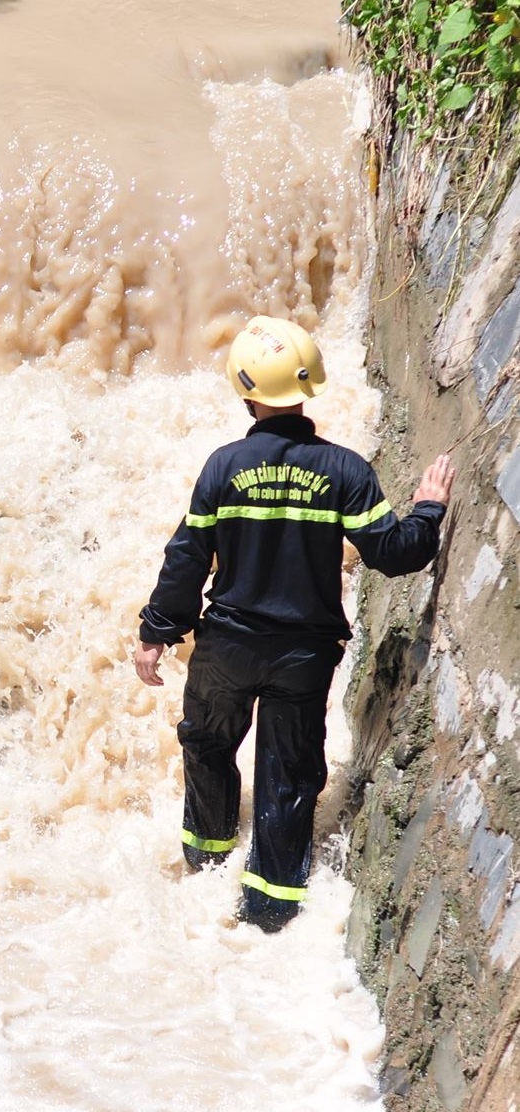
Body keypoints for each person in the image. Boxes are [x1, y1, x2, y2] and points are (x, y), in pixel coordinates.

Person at [134, 316, 455, 933]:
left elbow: (186, 561)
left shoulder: (222, 468)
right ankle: (269, 917)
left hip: (226, 647)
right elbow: (396, 555)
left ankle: (205, 867)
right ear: (306, 389)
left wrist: (156, 631)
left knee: (206, 748)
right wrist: (431, 507)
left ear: (246, 391)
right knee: (286, 777)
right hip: (302, 658)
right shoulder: (346, 471)